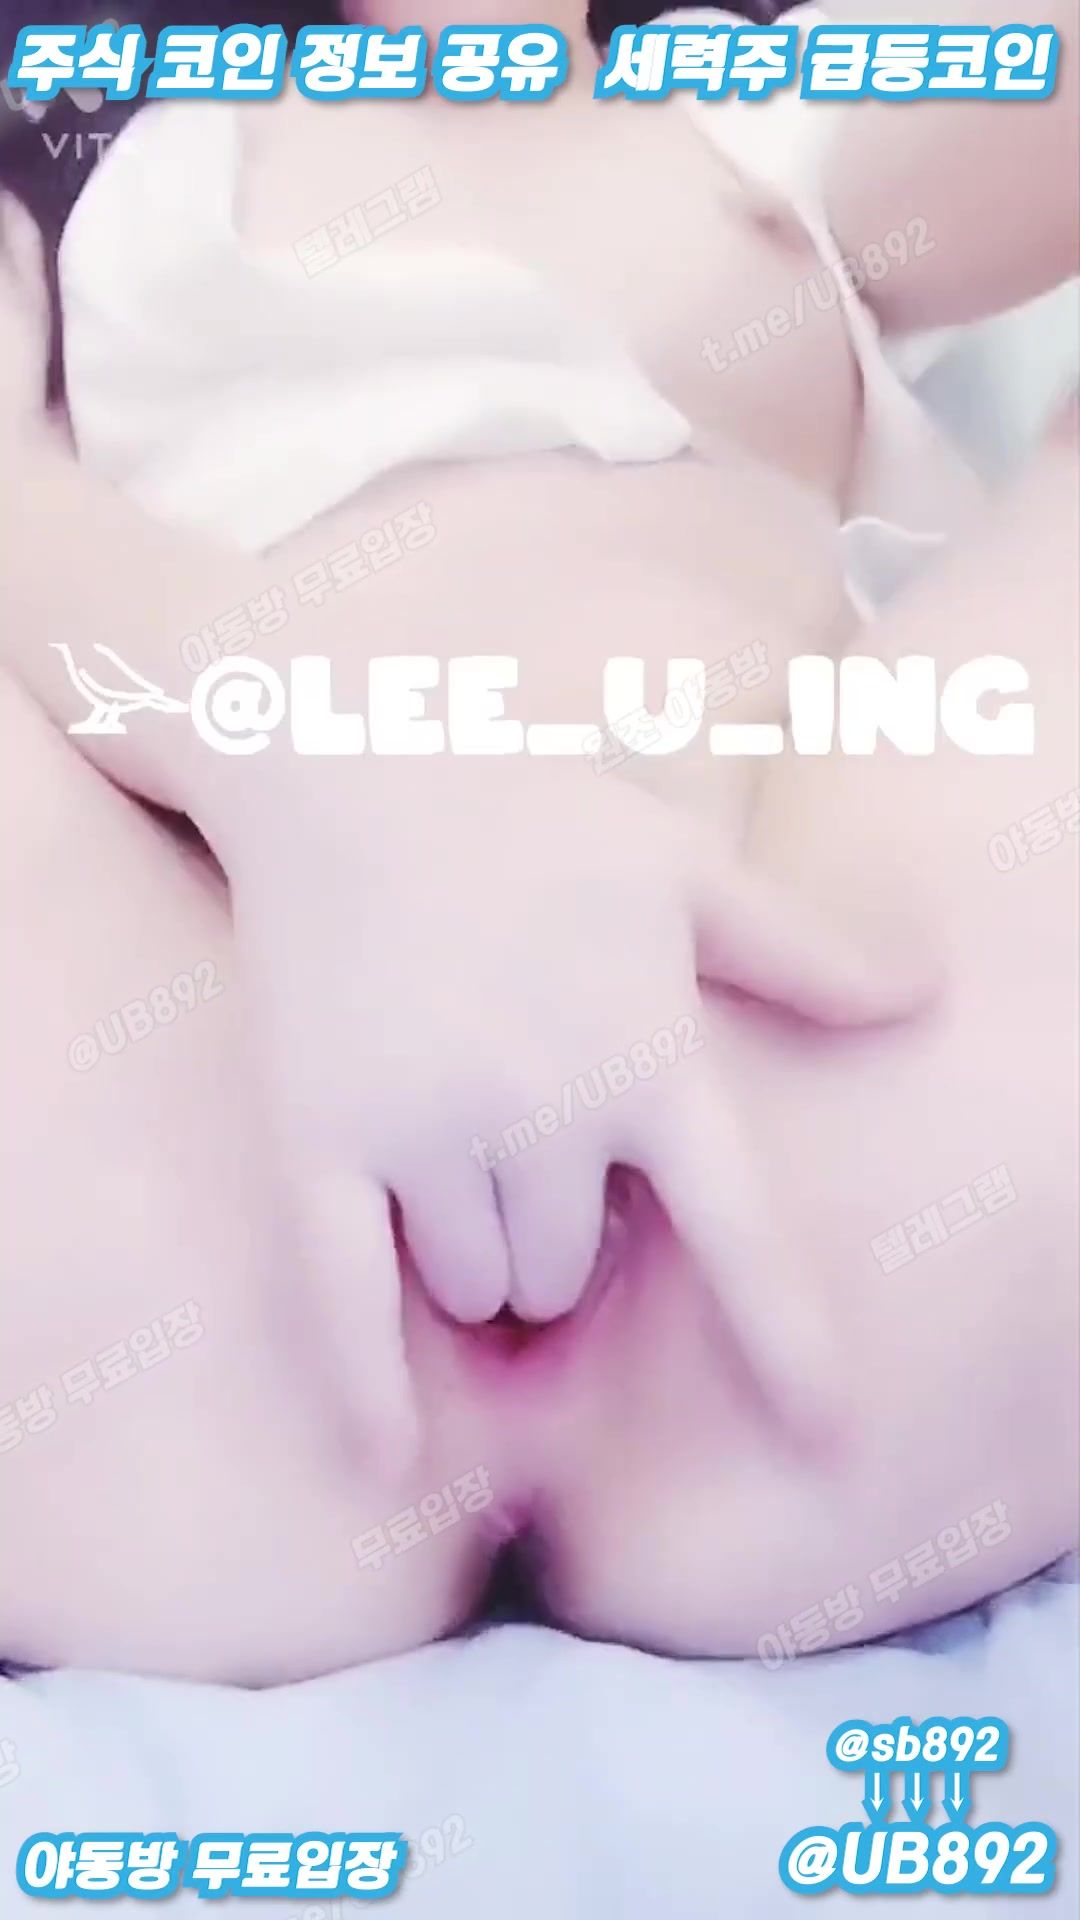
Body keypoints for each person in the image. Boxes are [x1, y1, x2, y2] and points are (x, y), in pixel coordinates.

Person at [0, 0, 1075, 1682]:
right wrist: (317, 778)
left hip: (825, 1136)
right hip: (207, 1217)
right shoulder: (80, 160)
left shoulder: (775, 117)